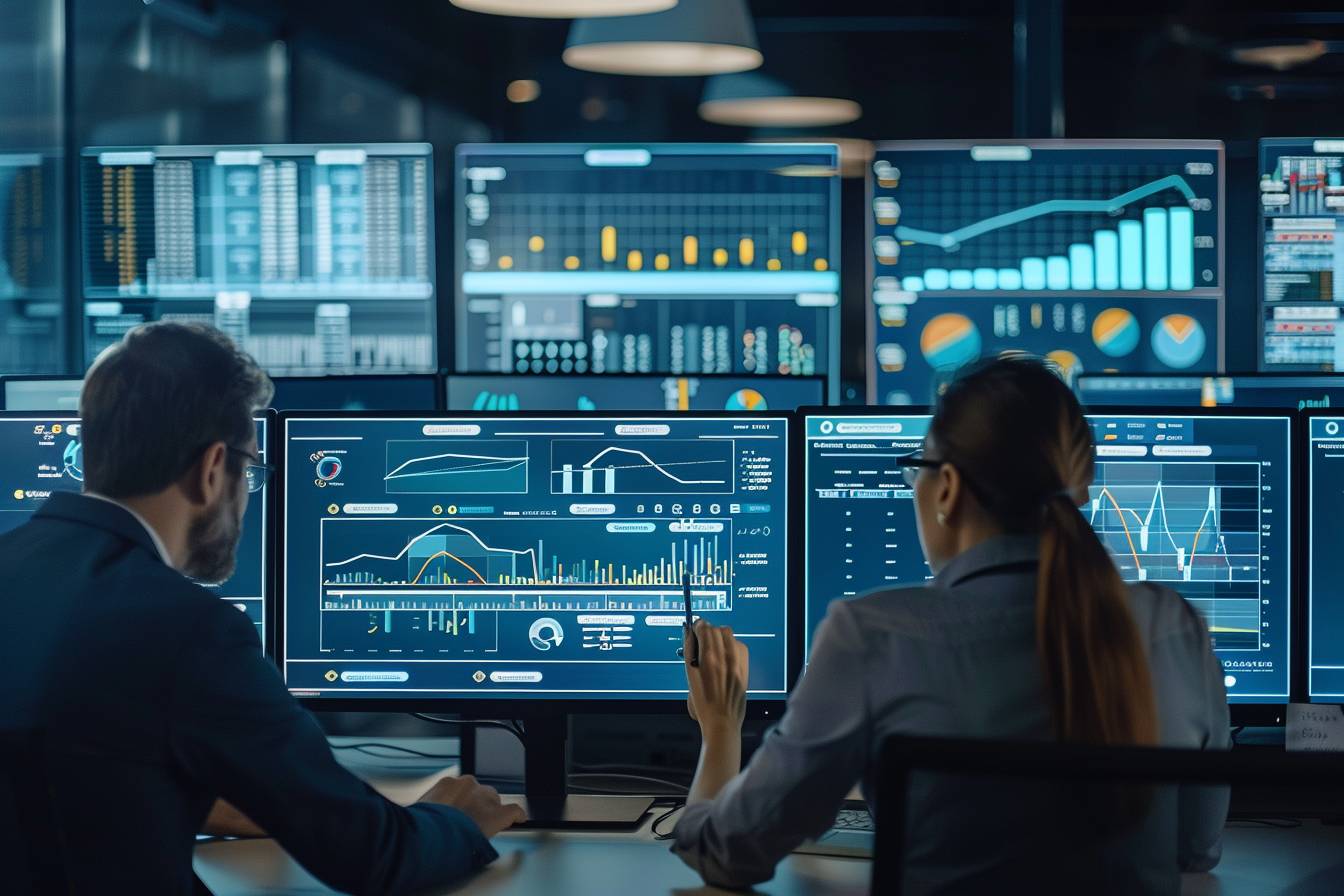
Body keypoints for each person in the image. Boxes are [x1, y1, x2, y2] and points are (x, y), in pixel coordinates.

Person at [0, 323, 524, 894]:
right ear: (212, 469)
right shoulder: (190, 628)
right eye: (250, 470)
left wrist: (183, 791)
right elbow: (373, 856)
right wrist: (458, 820)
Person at [671, 357, 1230, 892]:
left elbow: (727, 852)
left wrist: (721, 728)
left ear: (947, 488)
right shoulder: (1174, 627)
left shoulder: (872, 637)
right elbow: (1195, 849)